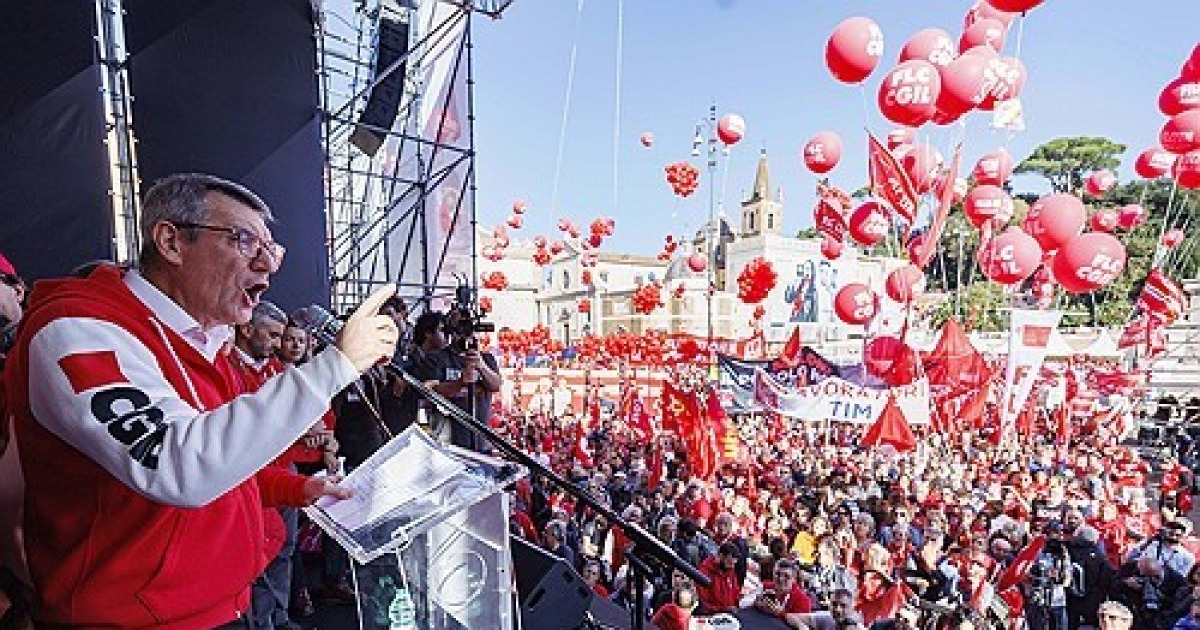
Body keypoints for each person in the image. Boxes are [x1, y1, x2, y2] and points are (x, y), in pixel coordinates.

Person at [2, 173, 399, 628]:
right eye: (245, 241)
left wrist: (295, 489)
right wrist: (335, 366)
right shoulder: (76, 330)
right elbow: (178, 464)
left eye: (273, 250)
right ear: (171, 242)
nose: (267, 265)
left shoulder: (204, 341)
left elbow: (223, 459)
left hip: (222, 608)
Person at [408, 310, 502, 451]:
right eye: (459, 326)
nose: (464, 332)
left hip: (481, 443)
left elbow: (496, 385)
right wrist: (460, 382)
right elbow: (431, 391)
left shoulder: (486, 358)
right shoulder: (437, 358)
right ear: (450, 329)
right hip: (447, 443)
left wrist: (481, 366)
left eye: (468, 325)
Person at [696, 541, 742, 615]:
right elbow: (702, 603)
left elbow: (736, 592)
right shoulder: (704, 572)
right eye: (729, 562)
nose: (732, 566)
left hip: (729, 615)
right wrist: (722, 609)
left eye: (734, 564)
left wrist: (739, 603)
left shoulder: (730, 569)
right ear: (720, 556)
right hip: (712, 617)